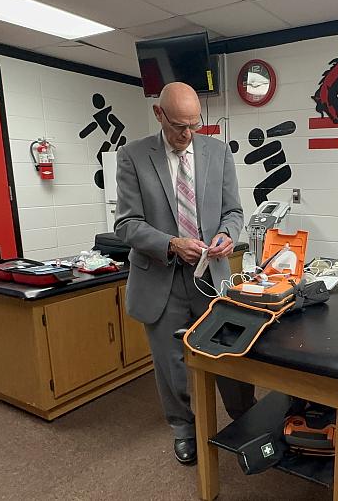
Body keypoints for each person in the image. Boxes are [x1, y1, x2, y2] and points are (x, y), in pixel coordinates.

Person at [115, 82, 255, 465]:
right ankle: (184, 429)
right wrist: (171, 243)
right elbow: (126, 225)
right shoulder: (132, 156)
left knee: (231, 352)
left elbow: (234, 211)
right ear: (159, 115)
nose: (188, 134)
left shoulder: (218, 151)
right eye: (179, 125)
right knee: (171, 362)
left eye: (195, 125)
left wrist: (227, 233)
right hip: (161, 276)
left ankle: (246, 417)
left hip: (212, 276)